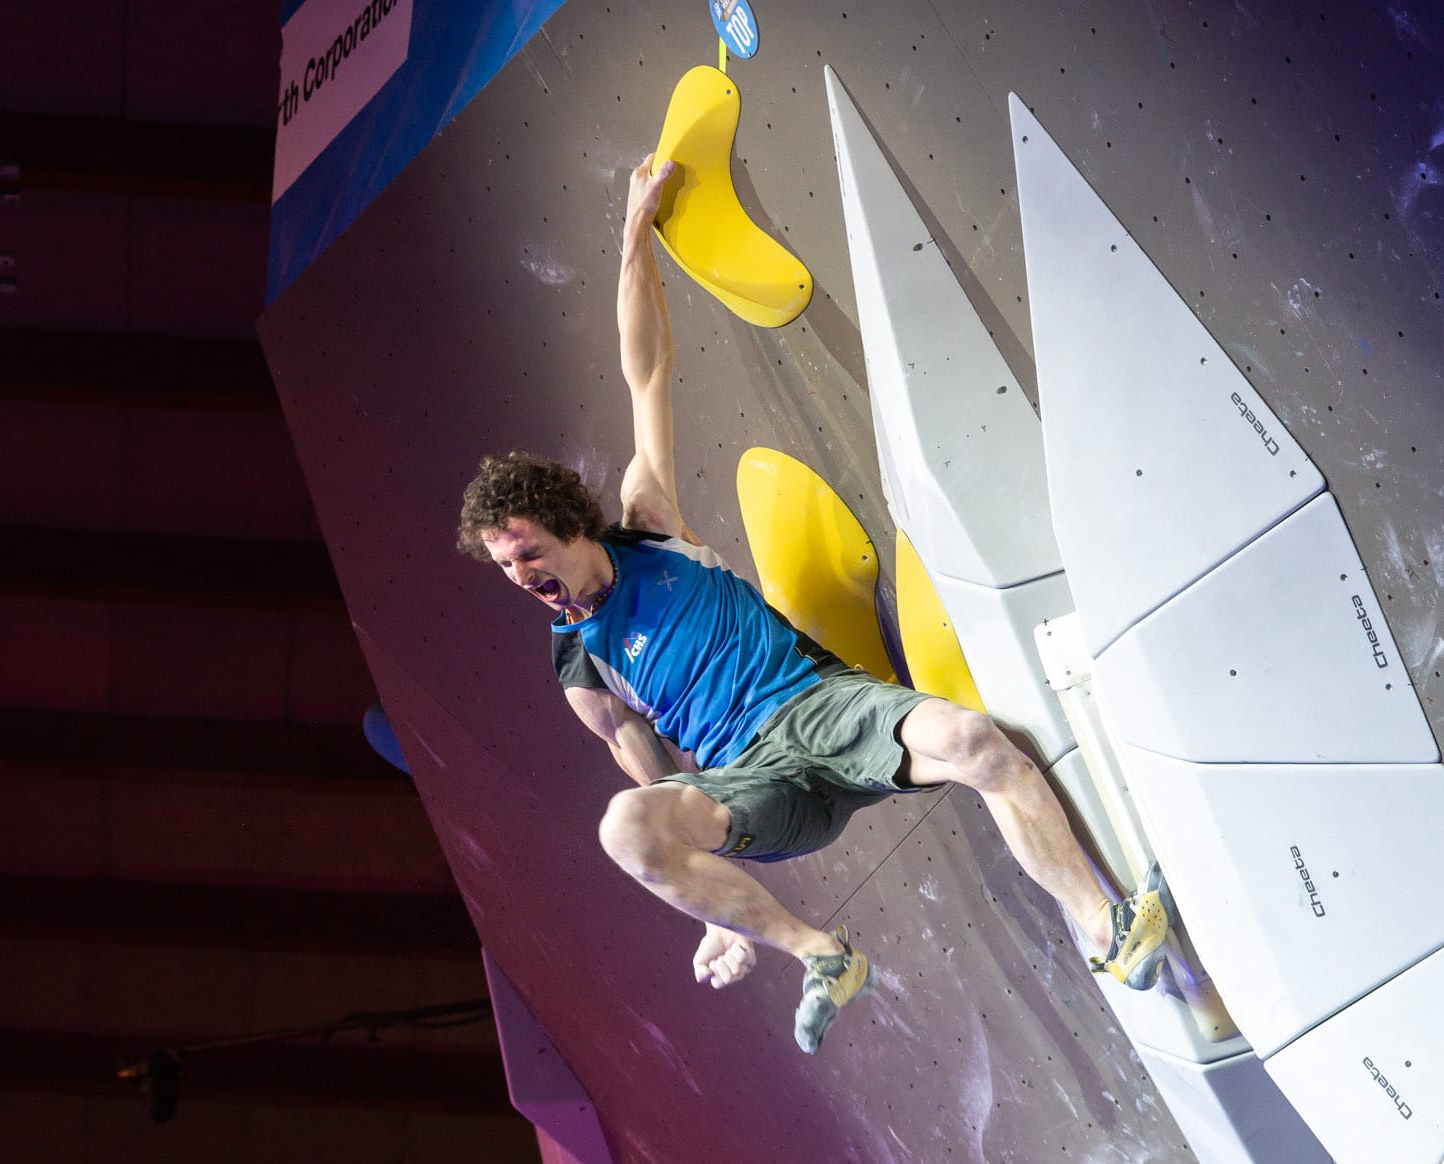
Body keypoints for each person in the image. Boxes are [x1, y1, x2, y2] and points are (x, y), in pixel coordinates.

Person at [457, 155, 1172, 1054]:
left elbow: (648, 373)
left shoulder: (648, 523)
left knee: (976, 743)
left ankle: (1106, 931)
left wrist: (634, 239)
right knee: (622, 826)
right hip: (751, 784)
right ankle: (819, 955)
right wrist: (706, 906)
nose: (520, 576)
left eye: (525, 554)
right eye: (502, 568)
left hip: (825, 709)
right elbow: (650, 773)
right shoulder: (579, 665)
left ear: (565, 525)